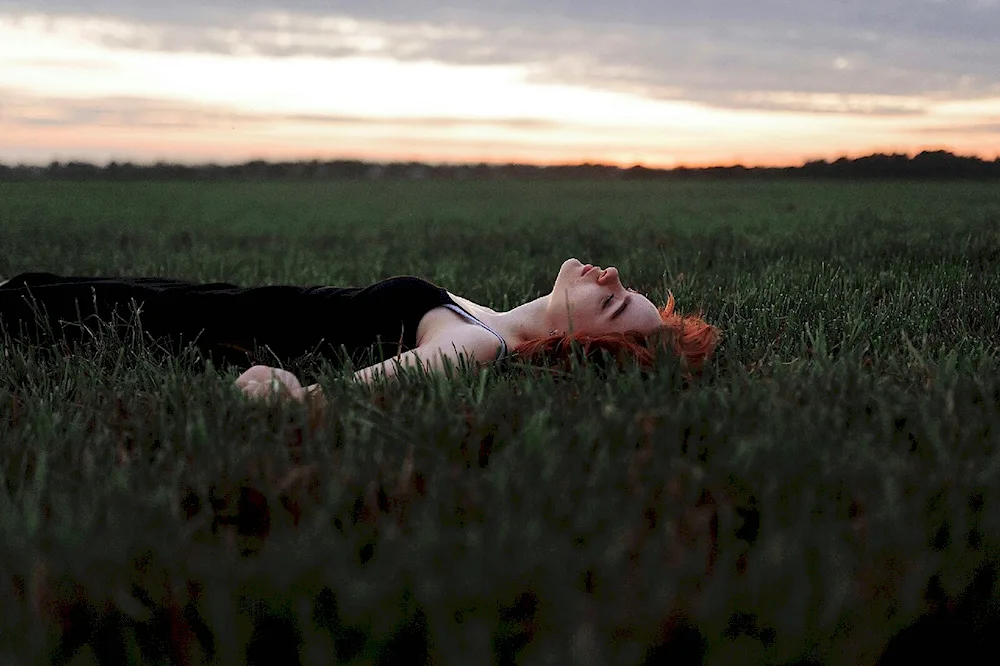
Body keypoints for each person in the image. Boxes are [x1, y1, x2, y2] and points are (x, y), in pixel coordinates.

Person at [0, 259, 719, 402]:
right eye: (628, 291)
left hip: (190, 328)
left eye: (619, 304)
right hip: (218, 300)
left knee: (24, 307)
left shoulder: (479, 345)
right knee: (31, 289)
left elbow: (333, 396)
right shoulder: (489, 320)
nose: (614, 277)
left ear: (584, 340)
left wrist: (286, 390)